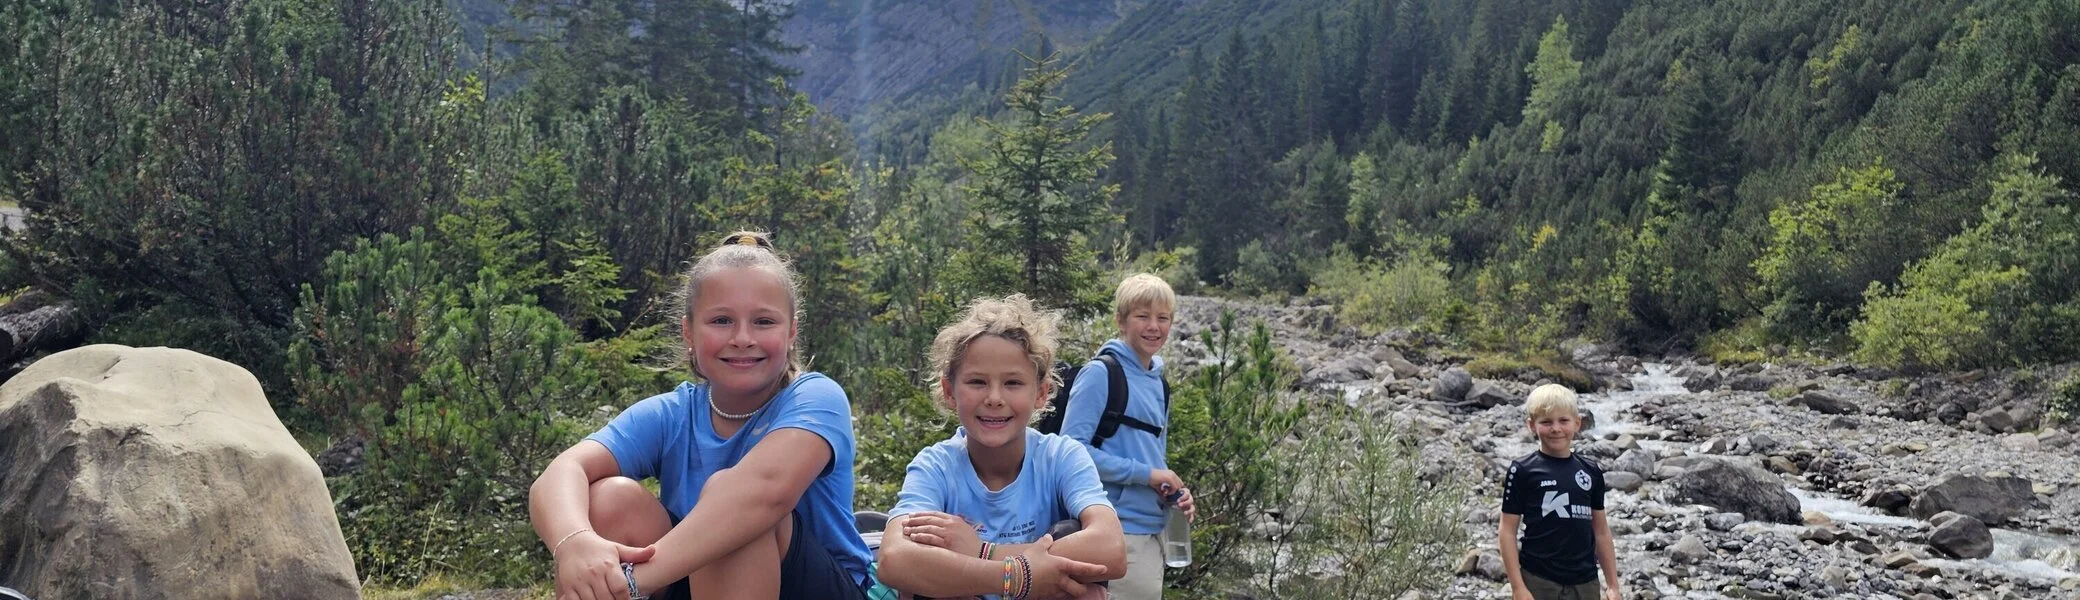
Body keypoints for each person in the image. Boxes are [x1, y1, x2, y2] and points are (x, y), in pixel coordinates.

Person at [529, 231, 872, 600]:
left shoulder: (817, 397)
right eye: (722, 320)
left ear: (791, 333)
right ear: (688, 331)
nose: (742, 338)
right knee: (610, 501)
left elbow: (765, 494)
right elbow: (561, 472)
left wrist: (628, 583)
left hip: (820, 589)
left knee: (734, 514)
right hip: (702, 585)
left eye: (764, 322)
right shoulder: (673, 414)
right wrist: (574, 544)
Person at [873, 294, 1127, 599]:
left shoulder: (1060, 456)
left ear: (1041, 393)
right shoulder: (936, 467)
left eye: (1013, 383)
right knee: (926, 552)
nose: (994, 398)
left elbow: (1111, 548)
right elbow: (893, 560)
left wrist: (984, 551)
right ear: (949, 391)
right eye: (977, 382)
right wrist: (1017, 577)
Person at [1058, 273, 1192, 599]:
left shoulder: (1159, 383)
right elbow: (1071, 450)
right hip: (1114, 529)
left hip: (1152, 531)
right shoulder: (1102, 373)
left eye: (1163, 318)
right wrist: (1146, 475)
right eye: (1142, 316)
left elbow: (1152, 457)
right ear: (1121, 320)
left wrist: (1172, 489)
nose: (1154, 327)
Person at [1499, 384, 1622, 600]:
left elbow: (1601, 531)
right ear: (1531, 425)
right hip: (1538, 579)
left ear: (1577, 423)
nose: (1556, 428)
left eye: (1563, 421)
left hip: (1585, 582)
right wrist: (1518, 587)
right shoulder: (1523, 470)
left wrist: (1612, 585)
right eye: (1546, 422)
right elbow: (1507, 531)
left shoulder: (1590, 471)